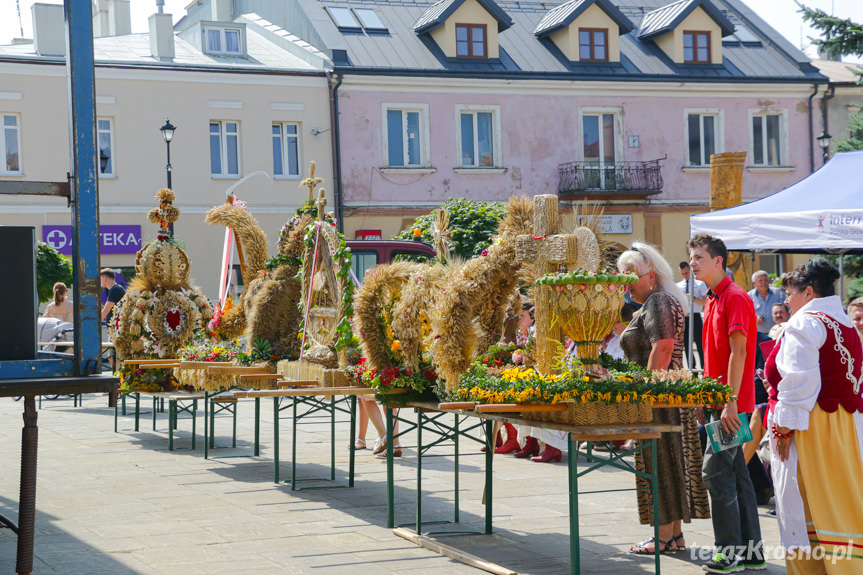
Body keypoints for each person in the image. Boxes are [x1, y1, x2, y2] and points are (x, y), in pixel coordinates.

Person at [768, 259, 863, 574]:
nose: (787, 301)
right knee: (840, 498)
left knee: (814, 499)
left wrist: (781, 430)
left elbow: (799, 383)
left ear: (808, 292)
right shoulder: (846, 324)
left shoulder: (805, 323)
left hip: (813, 425)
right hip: (845, 427)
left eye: (790, 294)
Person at [617, 242, 709, 555]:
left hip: (662, 397)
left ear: (651, 277)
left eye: (630, 276)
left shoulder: (658, 302)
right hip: (669, 394)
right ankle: (674, 536)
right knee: (671, 465)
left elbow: (664, 347)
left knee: (660, 466)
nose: (625, 283)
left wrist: (646, 394)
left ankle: (662, 537)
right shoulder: (661, 300)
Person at [687, 233, 764, 573]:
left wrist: (729, 402)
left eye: (698, 257)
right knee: (735, 473)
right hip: (723, 400)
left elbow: (740, 352)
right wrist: (708, 395)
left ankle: (728, 552)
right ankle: (751, 553)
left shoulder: (733, 297)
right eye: (691, 257)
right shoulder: (713, 297)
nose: (692, 263)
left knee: (715, 473)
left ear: (719, 260)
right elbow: (714, 356)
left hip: (732, 403)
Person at [677, 261, 707, 369]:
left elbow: (705, 302)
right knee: (687, 345)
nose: (685, 276)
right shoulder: (679, 286)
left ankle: (704, 369)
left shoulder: (700, 283)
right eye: (682, 274)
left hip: (696, 316)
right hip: (685, 317)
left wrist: (693, 298)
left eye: (686, 273)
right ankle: (691, 370)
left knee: (700, 344)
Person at [748, 270, 785, 335]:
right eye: (760, 280)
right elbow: (745, 314)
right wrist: (754, 318)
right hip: (758, 335)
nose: (764, 282)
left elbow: (788, 308)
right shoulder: (749, 296)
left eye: (765, 280)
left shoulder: (778, 293)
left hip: (777, 332)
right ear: (754, 284)